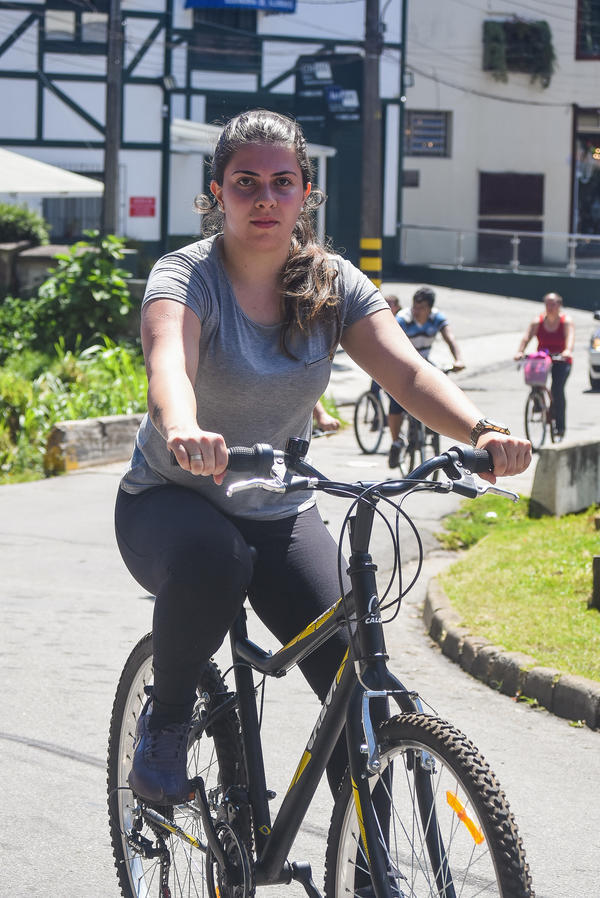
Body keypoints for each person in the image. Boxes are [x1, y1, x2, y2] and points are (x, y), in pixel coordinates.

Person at [114, 109, 530, 809]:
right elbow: (169, 369)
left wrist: (483, 429)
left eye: (283, 182)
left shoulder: (333, 285)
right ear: (218, 193)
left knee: (352, 671)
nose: (266, 198)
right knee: (217, 561)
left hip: (277, 504)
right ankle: (166, 725)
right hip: (169, 499)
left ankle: (371, 868)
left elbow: (408, 375)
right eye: (246, 183)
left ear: (306, 192)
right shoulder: (186, 276)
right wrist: (184, 427)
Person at [388, 286, 465, 468]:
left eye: (421, 307)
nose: (416, 310)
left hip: (425, 362)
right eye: (415, 306)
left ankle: (432, 423)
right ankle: (396, 442)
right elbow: (394, 342)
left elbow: (450, 338)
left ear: (430, 308)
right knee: (397, 400)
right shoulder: (403, 319)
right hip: (403, 362)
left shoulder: (437, 318)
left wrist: (458, 360)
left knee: (439, 387)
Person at [514, 292, 574, 438]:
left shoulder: (565, 321)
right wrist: (520, 351)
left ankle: (559, 426)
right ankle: (537, 400)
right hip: (543, 358)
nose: (550, 307)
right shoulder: (538, 321)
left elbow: (570, 337)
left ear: (559, 305)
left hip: (561, 359)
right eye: (547, 304)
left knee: (557, 389)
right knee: (535, 381)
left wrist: (567, 351)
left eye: (553, 304)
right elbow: (526, 337)